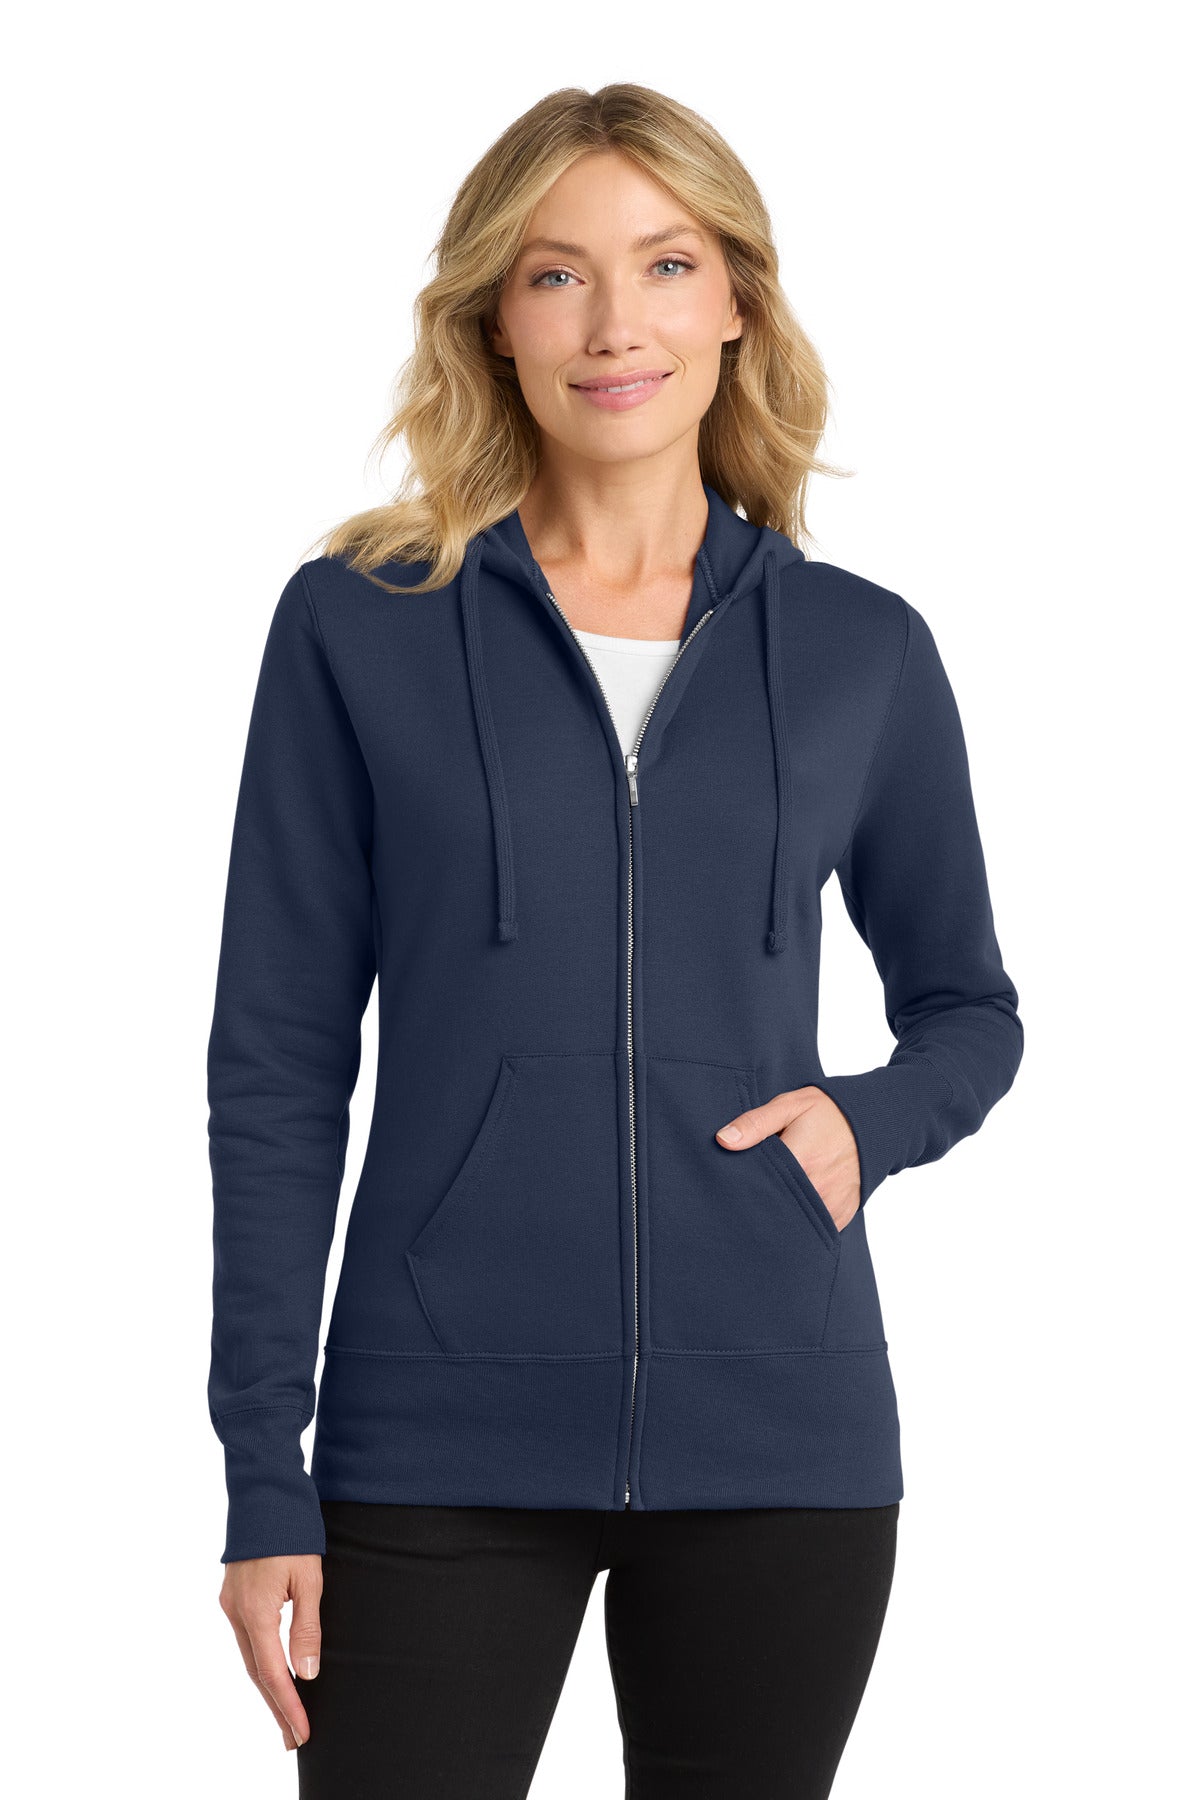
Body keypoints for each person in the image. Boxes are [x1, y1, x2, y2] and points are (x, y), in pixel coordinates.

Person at [206, 83, 1024, 1800]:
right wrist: (264, 1470)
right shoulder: (362, 624)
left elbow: (971, 1008)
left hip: (781, 1439)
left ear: (736, 301)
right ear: (494, 319)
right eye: (556, 274)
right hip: (434, 1435)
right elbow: (276, 1061)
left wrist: (864, 1123)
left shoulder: (860, 649)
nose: (612, 325)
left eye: (663, 264)